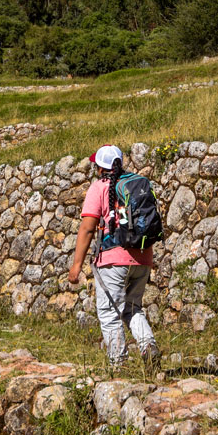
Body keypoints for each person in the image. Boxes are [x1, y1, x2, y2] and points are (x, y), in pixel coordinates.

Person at [68, 144, 160, 370]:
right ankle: (148, 345)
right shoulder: (136, 184)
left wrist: (76, 266)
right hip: (142, 257)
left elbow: (88, 228)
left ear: (100, 168)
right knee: (132, 308)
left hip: (112, 260)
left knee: (110, 312)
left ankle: (119, 365)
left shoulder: (99, 187)